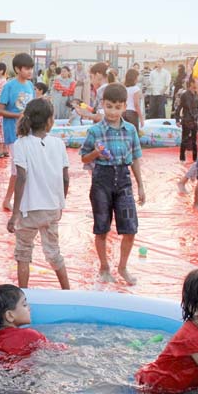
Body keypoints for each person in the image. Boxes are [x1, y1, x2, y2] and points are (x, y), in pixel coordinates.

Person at [79, 83, 145, 285]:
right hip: (102, 180)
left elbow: (135, 158)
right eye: (109, 106)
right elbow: (83, 158)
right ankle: (104, 267)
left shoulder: (130, 130)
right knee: (101, 228)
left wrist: (140, 186)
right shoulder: (95, 131)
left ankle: (123, 267)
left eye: (117, 107)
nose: (113, 112)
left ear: (125, 106)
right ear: (102, 105)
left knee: (130, 228)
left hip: (123, 179)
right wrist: (96, 153)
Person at [6, 98, 69, 289]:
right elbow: (66, 179)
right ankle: (67, 291)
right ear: (50, 121)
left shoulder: (21, 144)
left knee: (23, 253)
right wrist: (61, 203)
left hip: (29, 210)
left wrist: (14, 214)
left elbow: (21, 178)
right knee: (54, 252)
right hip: (51, 208)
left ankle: (22, 294)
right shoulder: (58, 144)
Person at [0, 53, 36, 211]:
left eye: (31, 68)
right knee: (17, 169)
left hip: (28, 131)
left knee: (28, 167)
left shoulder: (30, 86)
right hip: (13, 132)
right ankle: (8, 199)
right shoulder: (9, 86)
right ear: (17, 69)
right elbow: (0, 110)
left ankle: (22, 199)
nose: (30, 71)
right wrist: (18, 115)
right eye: (27, 68)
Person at [0, 284, 61, 362]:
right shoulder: (30, 335)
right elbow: (57, 350)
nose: (29, 308)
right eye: (24, 305)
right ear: (10, 316)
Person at [176, 76, 198, 162]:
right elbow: (179, 107)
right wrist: (177, 120)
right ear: (191, 84)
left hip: (195, 120)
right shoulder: (184, 95)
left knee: (195, 141)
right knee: (184, 140)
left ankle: (195, 159)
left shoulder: (197, 95)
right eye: (196, 82)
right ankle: (182, 158)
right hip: (186, 120)